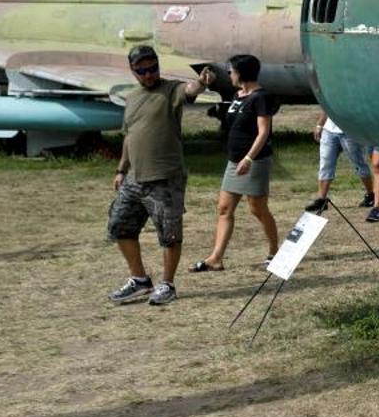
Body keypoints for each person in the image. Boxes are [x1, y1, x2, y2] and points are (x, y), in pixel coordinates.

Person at [109, 45, 212, 306]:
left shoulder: (171, 90)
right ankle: (140, 280)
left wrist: (201, 82)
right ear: (133, 72)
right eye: (142, 71)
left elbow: (190, 91)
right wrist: (121, 169)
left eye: (153, 68)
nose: (149, 75)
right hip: (134, 178)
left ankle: (167, 285)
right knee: (120, 227)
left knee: (169, 235)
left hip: (165, 178)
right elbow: (129, 136)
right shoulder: (131, 98)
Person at [190, 53, 279, 272]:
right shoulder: (237, 95)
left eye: (231, 71)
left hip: (255, 161)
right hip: (234, 161)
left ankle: (274, 251)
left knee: (257, 209)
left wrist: (249, 157)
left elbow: (263, 132)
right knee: (224, 208)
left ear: (242, 73)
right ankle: (216, 258)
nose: (229, 74)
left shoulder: (261, 97)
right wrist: (207, 84)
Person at [313, 104, 373, 208]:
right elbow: (327, 104)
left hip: (350, 130)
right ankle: (321, 199)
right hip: (329, 130)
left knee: (358, 163)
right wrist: (320, 124)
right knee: (325, 164)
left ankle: (371, 194)